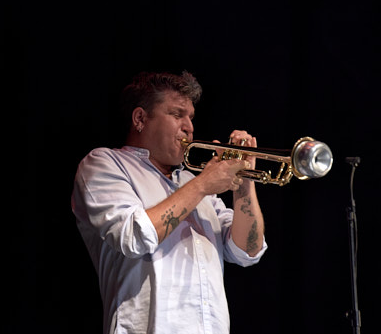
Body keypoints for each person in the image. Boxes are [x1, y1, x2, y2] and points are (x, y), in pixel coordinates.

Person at [71, 71, 268, 334]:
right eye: (177, 114)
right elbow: (133, 236)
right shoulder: (104, 164)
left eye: (191, 117)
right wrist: (203, 184)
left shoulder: (193, 182)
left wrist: (244, 181)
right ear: (140, 119)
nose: (189, 127)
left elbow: (247, 251)